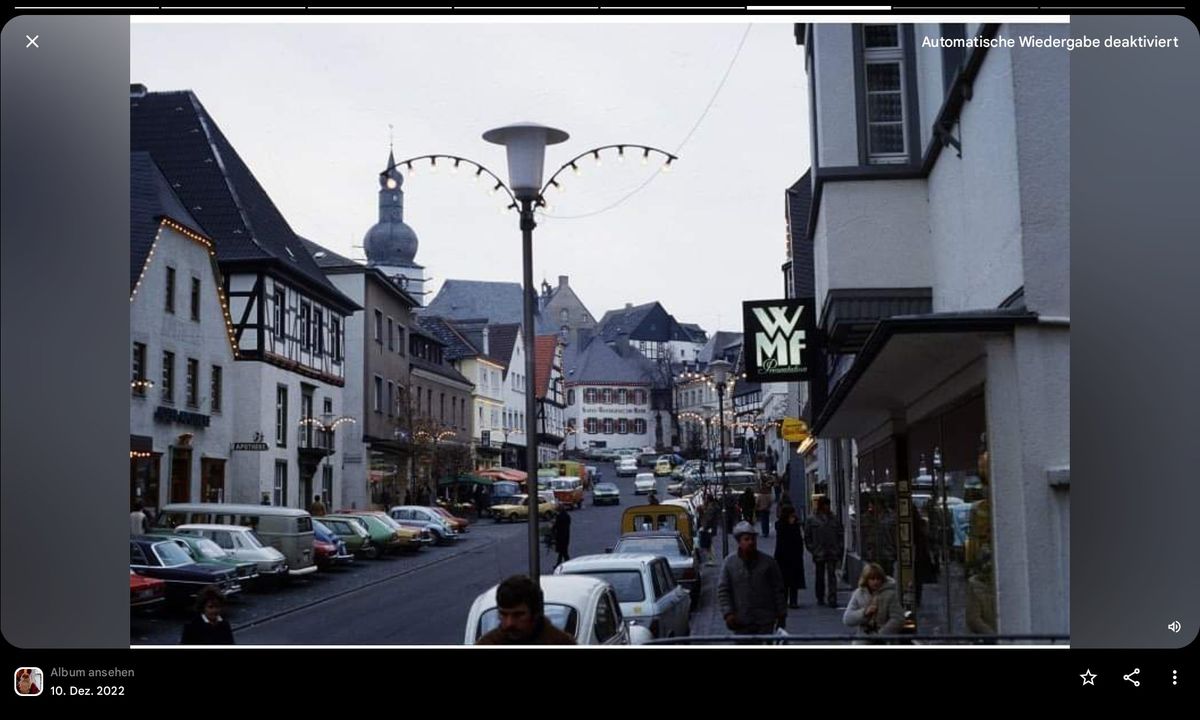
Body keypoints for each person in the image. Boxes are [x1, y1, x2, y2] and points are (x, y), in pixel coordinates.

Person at [717, 521, 786, 638]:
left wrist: (781, 615)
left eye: (753, 539)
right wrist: (728, 613)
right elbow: (723, 590)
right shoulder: (730, 563)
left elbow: (778, 589)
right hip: (741, 621)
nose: (751, 542)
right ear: (739, 542)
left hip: (765, 621)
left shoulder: (768, 562)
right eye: (746, 539)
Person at [476, 574, 576, 645]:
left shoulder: (561, 643)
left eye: (518, 615)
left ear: (535, 613)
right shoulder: (487, 644)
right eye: (503, 614)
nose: (509, 623)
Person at [843, 562, 904, 638]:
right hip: (865, 635)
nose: (876, 582)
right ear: (866, 580)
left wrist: (880, 634)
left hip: (885, 637)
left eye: (878, 579)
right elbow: (847, 619)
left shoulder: (890, 594)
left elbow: (898, 618)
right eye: (872, 579)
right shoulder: (859, 594)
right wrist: (864, 613)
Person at [805, 496, 844, 607]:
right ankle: (820, 596)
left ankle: (832, 598)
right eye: (825, 505)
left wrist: (839, 547)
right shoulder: (812, 519)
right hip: (819, 551)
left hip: (832, 551)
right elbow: (807, 536)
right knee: (820, 575)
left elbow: (840, 534)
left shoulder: (834, 519)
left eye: (828, 505)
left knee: (832, 575)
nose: (827, 507)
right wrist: (812, 549)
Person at [774, 505, 807, 607]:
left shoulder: (795, 523)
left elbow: (798, 539)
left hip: (794, 556)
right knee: (784, 580)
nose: (794, 515)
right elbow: (783, 538)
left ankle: (793, 601)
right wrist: (791, 525)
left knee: (793, 581)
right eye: (792, 513)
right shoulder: (781, 524)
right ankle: (784, 600)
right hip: (783, 556)